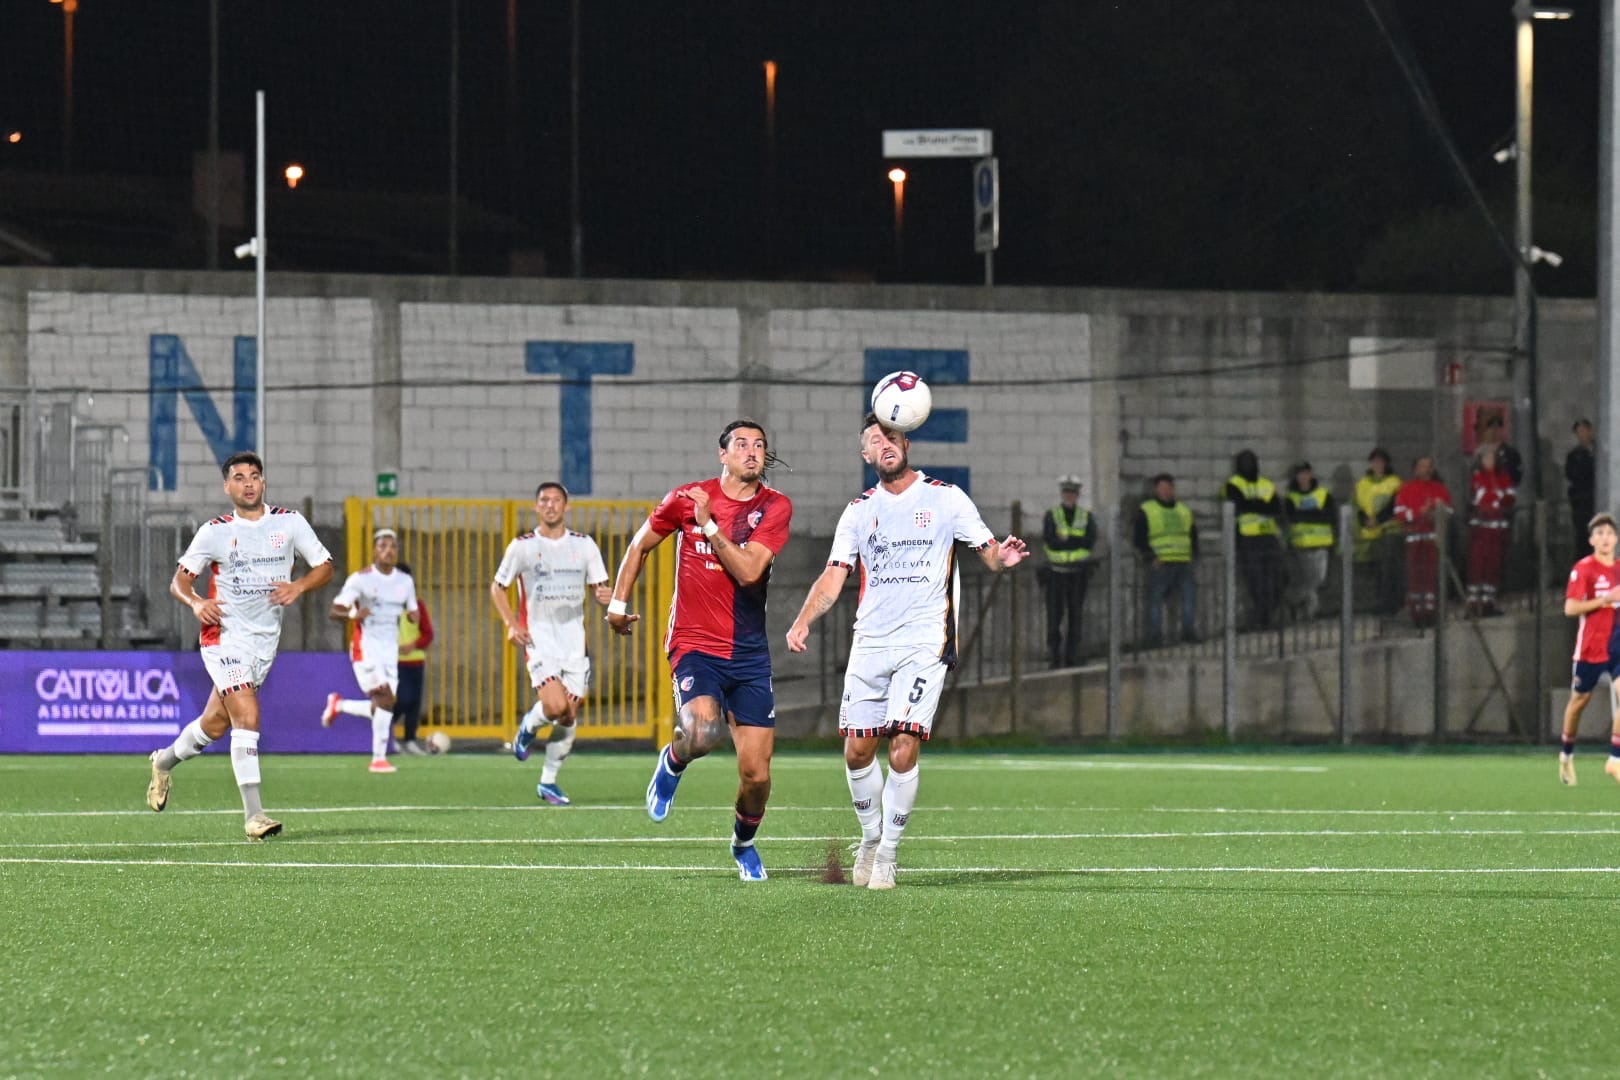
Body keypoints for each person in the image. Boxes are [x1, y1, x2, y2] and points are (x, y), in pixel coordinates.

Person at [786, 413, 1027, 890]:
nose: (885, 444)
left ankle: (890, 854)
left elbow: (988, 553)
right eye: (875, 440)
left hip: (924, 641)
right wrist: (803, 619)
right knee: (857, 751)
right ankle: (872, 838)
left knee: (902, 746)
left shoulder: (946, 498)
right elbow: (836, 574)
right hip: (870, 642)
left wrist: (1004, 557)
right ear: (866, 456)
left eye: (891, 436)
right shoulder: (858, 511)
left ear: (906, 442)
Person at [606, 419, 792, 881]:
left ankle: (743, 843)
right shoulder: (685, 497)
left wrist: (708, 525)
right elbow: (639, 545)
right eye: (742, 444)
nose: (752, 451)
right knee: (703, 732)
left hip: (749, 654)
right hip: (694, 644)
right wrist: (616, 603)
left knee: (757, 777)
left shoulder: (775, 507)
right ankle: (673, 762)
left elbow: (749, 572)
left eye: (760, 445)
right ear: (722, 454)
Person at [145, 451, 334, 840]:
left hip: (263, 643)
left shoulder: (290, 523)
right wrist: (197, 602)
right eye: (239, 477)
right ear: (227, 486)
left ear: (263, 483)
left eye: (254, 476)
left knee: (215, 724)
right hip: (223, 637)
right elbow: (179, 582)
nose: (248, 483)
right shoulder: (214, 531)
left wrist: (299, 586)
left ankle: (163, 761)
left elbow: (325, 566)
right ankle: (255, 816)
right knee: (246, 715)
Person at [489, 481, 612, 805]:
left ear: (567, 506)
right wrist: (511, 624)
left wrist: (606, 597)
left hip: (575, 643)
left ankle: (548, 782)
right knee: (555, 706)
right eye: (544, 500)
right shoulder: (523, 546)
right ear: (536, 506)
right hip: (539, 638)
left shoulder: (584, 546)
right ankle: (527, 729)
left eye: (556, 500)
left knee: (569, 716)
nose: (550, 505)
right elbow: (497, 587)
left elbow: (601, 588)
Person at [319, 529, 419, 773]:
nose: (388, 550)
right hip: (366, 648)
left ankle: (339, 705)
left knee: (383, 704)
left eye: (392, 546)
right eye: (383, 545)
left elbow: (413, 610)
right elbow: (335, 610)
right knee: (385, 698)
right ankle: (378, 759)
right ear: (374, 550)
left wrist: (413, 615)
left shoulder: (405, 581)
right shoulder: (361, 579)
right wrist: (354, 614)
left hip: (389, 651)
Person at [1559, 513, 1620, 786]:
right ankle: (1566, 755)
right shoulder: (1584, 569)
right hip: (1591, 648)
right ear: (1591, 540)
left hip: (1617, 644)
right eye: (1599, 534)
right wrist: (1604, 599)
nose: (1605, 538)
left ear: (1616, 538)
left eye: (1609, 533)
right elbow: (1570, 608)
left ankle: (1615, 760)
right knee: (1578, 703)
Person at [1133, 473, 1198, 646]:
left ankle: (1188, 632)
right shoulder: (1147, 509)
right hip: (1161, 563)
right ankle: (1155, 637)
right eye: (1161, 488)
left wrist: (1194, 555)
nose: (1165, 491)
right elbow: (1139, 537)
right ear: (1156, 490)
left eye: (1168, 487)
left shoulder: (1183, 510)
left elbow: (1193, 535)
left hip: (1183, 561)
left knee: (1188, 598)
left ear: (1173, 489)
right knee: (1155, 600)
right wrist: (1150, 557)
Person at [1223, 449, 1283, 630]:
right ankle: (1261, 618)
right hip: (1247, 538)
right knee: (1256, 580)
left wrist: (1254, 505)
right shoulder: (1233, 484)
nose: (1249, 465)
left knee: (1278, 578)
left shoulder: (1266, 484)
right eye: (1245, 462)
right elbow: (1240, 505)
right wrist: (1260, 505)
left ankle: (1267, 616)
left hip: (1269, 537)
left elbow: (1275, 508)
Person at [1041, 474, 1094, 668]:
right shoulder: (1052, 515)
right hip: (1056, 573)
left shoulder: (1085, 516)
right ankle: (1055, 657)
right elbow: (1051, 541)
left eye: (1072, 493)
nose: (1069, 496)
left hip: (1078, 573)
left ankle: (1072, 657)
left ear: (1077, 495)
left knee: (1076, 617)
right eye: (1066, 492)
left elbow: (1089, 541)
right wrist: (1073, 540)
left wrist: (1066, 539)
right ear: (1062, 494)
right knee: (1054, 618)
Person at [1393, 457, 1452, 628]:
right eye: (1422, 466)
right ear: (1415, 469)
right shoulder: (1406, 489)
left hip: (1432, 540)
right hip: (1414, 540)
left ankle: (1430, 613)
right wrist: (1418, 513)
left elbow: (1449, 511)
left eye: (1429, 467)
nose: (1426, 470)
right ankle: (1416, 613)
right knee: (1415, 579)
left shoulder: (1439, 489)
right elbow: (1400, 512)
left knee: (1431, 578)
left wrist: (1436, 511)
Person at [1281, 462, 1335, 620]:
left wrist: (1305, 515)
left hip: (1321, 545)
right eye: (1300, 474)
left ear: (1311, 475)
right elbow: (1293, 517)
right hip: (1300, 546)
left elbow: (1328, 517)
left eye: (1306, 473)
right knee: (1308, 582)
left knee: (1316, 581)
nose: (1303, 477)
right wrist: (1314, 514)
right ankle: (1308, 613)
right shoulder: (1291, 497)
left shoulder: (1323, 495)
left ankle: (1295, 604)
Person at [1466, 445, 1516, 616]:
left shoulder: (1502, 476)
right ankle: (1474, 603)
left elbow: (1509, 496)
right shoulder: (1478, 476)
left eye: (1492, 458)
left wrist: (1498, 497)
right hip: (1481, 529)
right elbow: (1481, 496)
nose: (1490, 461)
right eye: (1486, 458)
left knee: (1494, 567)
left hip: (1497, 529)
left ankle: (1489, 602)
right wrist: (1498, 497)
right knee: (1478, 566)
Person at [1355, 449, 1404, 614]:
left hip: (1388, 532)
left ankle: (1390, 605)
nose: (1377, 465)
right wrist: (1365, 520)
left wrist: (1378, 520)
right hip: (1369, 535)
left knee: (1388, 572)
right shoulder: (1362, 483)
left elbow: (1394, 505)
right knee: (1376, 574)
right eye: (1375, 462)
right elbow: (1357, 506)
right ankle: (1380, 604)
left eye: (1380, 462)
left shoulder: (1395, 482)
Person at [394, 563, 434, 755]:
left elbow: (428, 634)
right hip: (394, 662)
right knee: (401, 699)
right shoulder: (385, 605)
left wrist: (414, 645)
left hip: (416, 661)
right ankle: (388, 734)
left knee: (414, 703)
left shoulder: (417, 605)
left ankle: (410, 739)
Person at [1567, 419, 1596, 562]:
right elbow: (1572, 476)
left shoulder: (1600, 451)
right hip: (1582, 504)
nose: (1582, 435)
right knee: (1583, 538)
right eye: (1579, 433)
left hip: (1596, 500)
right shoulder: (1574, 456)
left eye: (1584, 431)